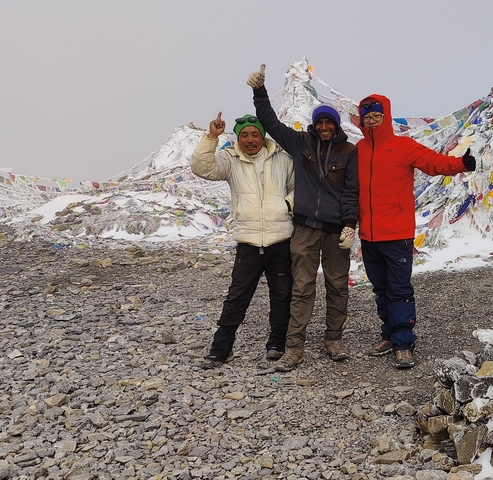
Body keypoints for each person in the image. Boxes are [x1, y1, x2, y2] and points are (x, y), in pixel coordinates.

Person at [245, 65, 358, 371]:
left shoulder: (349, 151)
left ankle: (333, 339)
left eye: (328, 122)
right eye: (319, 122)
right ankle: (294, 346)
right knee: (302, 286)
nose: (324, 127)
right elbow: (270, 122)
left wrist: (350, 224)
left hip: (337, 231)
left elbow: (351, 190)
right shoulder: (300, 143)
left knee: (337, 285)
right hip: (305, 228)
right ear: (314, 125)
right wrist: (259, 92)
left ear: (335, 125)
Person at [355, 94, 476, 369]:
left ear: (386, 117)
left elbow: (433, 163)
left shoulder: (402, 146)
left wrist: (460, 164)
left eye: (376, 116)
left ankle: (403, 343)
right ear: (361, 121)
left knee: (399, 290)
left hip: (397, 233)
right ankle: (389, 334)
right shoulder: (358, 150)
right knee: (381, 289)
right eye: (367, 118)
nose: (372, 121)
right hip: (369, 236)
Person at [190, 112, 296, 369]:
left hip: (280, 239)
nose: (250, 139)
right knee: (237, 296)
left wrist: (286, 205)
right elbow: (202, 168)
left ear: (263, 136)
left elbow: (297, 187)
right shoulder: (230, 159)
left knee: (282, 295)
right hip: (248, 242)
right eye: (244, 135)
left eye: (255, 134)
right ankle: (221, 348)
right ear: (238, 139)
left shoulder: (283, 160)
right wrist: (211, 137)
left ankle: (276, 343)